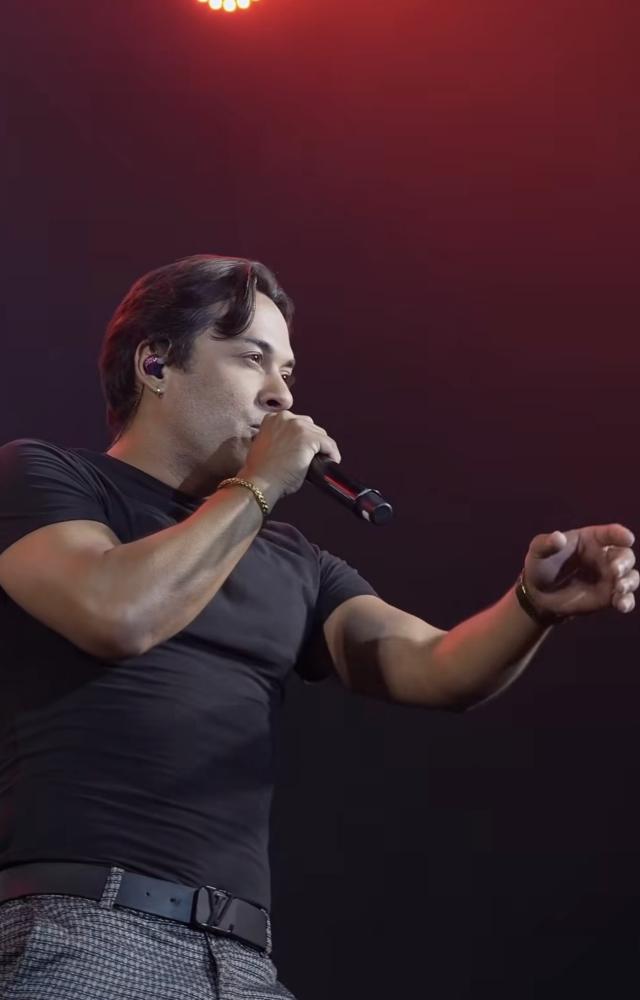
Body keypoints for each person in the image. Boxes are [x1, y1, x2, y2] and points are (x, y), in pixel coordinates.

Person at [0, 255, 635, 1000]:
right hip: (83, 930)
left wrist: (532, 605)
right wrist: (261, 483)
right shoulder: (48, 478)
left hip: (241, 961)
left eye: (289, 372)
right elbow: (117, 613)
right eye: (252, 359)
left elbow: (435, 666)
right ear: (156, 363)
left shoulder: (290, 557)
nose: (281, 393)